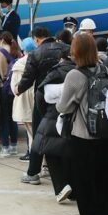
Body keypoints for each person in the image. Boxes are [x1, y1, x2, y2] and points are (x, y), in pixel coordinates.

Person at [56, 33, 108, 215]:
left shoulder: (75, 75)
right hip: (106, 132)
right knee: (104, 177)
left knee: (84, 179)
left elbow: (63, 107)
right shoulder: (104, 69)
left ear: (75, 52)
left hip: (84, 135)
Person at [18, 26, 69, 184]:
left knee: (39, 137)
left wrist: (18, 89)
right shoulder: (67, 48)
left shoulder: (36, 53)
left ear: (36, 39)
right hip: (67, 98)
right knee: (66, 135)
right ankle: (67, 172)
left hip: (44, 100)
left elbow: (28, 78)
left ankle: (33, 173)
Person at [33, 46, 77, 202]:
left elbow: (40, 95)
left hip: (52, 116)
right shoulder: (80, 71)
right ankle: (73, 190)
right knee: (69, 153)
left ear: (61, 58)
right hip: (74, 117)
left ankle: (61, 187)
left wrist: (45, 112)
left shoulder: (55, 72)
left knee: (50, 151)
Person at [0, 32, 20, 157]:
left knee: (3, 118)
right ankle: (14, 146)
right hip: (14, 89)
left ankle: (5, 147)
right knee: (13, 118)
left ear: (1, 40)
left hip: (4, 89)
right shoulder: (18, 52)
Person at [11, 37, 36, 160]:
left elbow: (13, 86)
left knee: (30, 131)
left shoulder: (18, 64)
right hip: (36, 99)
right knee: (36, 131)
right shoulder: (38, 60)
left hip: (22, 100)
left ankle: (35, 157)